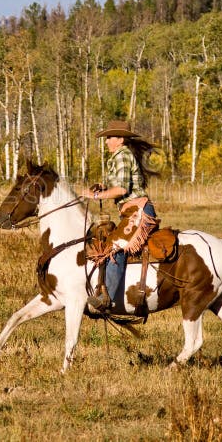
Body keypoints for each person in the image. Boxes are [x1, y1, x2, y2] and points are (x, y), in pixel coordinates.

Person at [82, 120, 159, 310]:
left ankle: (106, 299)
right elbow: (121, 184)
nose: (106, 141)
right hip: (131, 211)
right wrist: (105, 186)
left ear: (120, 139)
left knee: (115, 247)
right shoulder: (120, 156)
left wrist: (96, 195)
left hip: (139, 211)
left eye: (109, 137)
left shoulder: (122, 156)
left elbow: (123, 189)